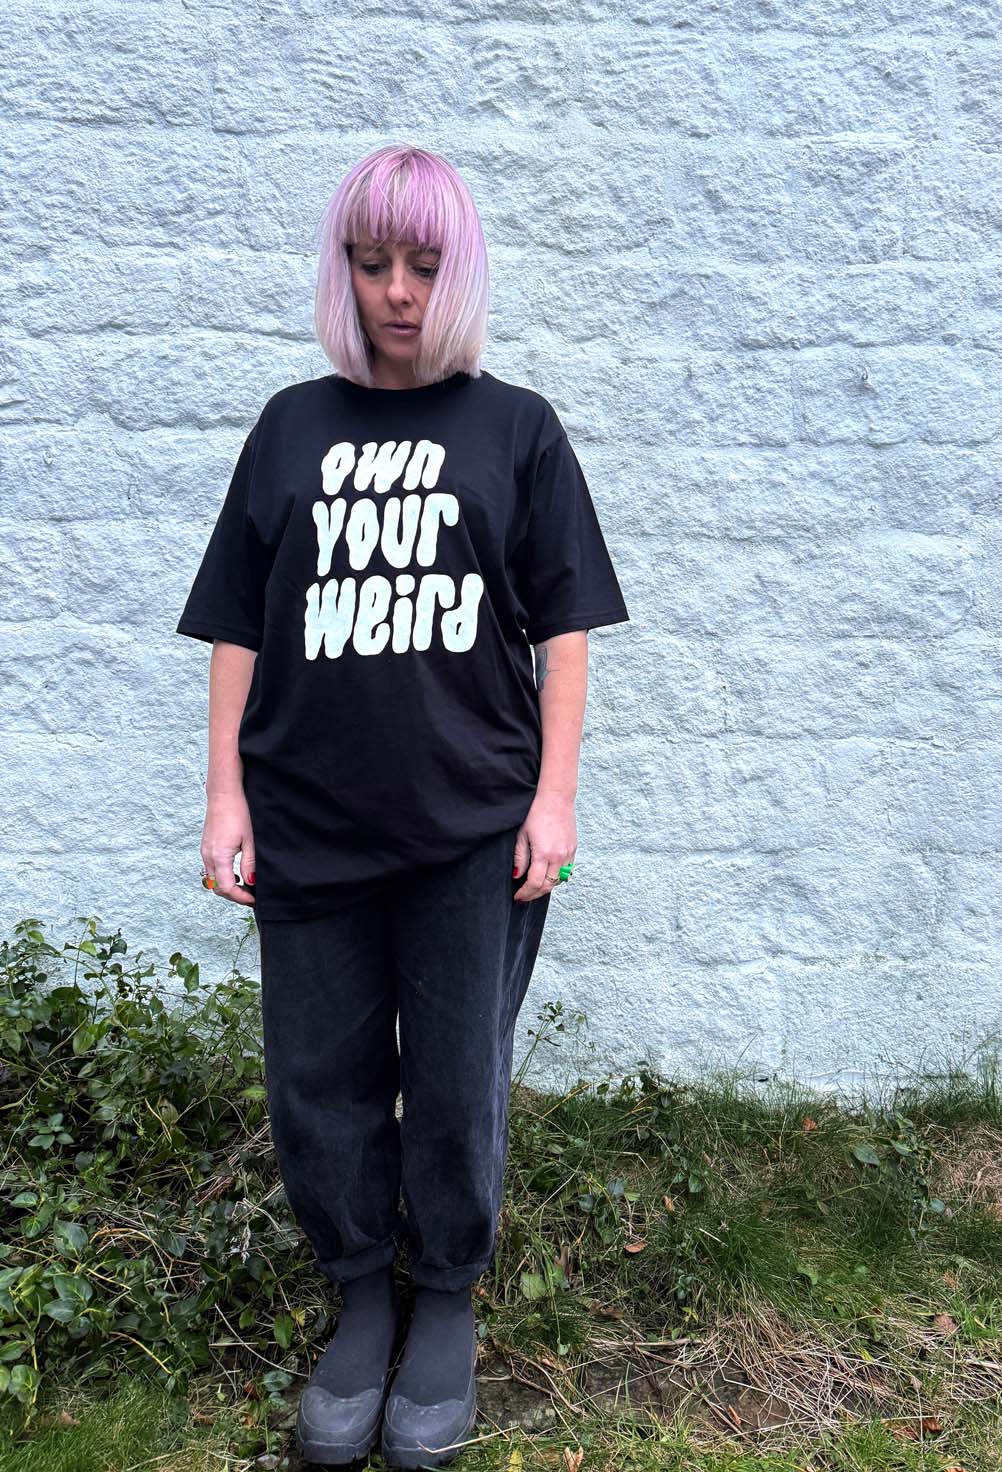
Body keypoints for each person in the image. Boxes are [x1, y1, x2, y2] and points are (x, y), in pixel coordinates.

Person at [175, 145, 630, 1468]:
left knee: (453, 1080)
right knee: (317, 1079)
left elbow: (565, 632)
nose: (395, 291)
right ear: (344, 271)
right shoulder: (290, 427)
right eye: (371, 263)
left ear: (459, 271)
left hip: (469, 829)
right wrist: (225, 797)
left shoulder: (516, 430)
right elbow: (237, 627)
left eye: (423, 265)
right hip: (308, 821)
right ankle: (360, 1296)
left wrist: (554, 799)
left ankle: (444, 1302)